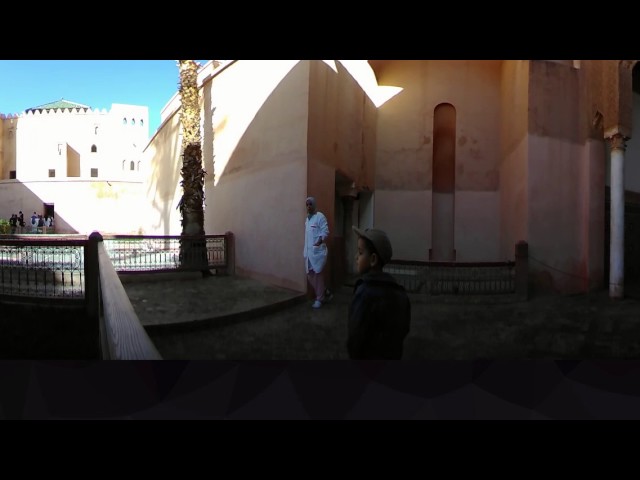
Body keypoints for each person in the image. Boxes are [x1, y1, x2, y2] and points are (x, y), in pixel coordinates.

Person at [348, 226, 411, 360]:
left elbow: (355, 336)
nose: (356, 257)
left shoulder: (364, 293)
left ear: (373, 259)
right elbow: (404, 329)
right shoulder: (400, 293)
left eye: (360, 252)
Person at [303, 196, 333, 309]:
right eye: (307, 205)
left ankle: (319, 299)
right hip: (308, 252)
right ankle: (324, 291)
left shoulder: (319, 216)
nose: (308, 206)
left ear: (314, 205)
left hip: (317, 252)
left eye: (310, 204)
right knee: (310, 275)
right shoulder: (307, 220)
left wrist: (319, 242)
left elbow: (325, 231)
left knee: (318, 275)